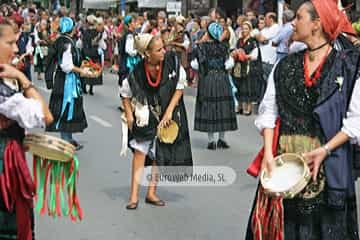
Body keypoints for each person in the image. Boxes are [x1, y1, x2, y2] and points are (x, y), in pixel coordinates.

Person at [246, 1, 360, 239]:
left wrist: (325, 150)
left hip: (328, 170)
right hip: (284, 169)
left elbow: (355, 121)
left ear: (316, 24)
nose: (292, 23)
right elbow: (269, 112)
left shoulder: (347, 66)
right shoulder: (285, 65)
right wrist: (268, 153)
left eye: (298, 17)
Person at [120, 33, 193, 210]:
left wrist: (169, 112)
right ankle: (133, 196)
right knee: (140, 152)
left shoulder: (172, 63)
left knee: (159, 151)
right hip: (146, 114)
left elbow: (179, 87)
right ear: (147, 54)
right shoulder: (137, 72)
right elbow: (125, 94)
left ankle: (152, 192)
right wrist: (129, 115)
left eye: (163, 48)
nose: (164, 52)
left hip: (167, 113)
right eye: (159, 50)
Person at [0, 19, 53, 240]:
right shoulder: (4, 90)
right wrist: (23, 79)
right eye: (10, 43)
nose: (15, 49)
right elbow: (45, 115)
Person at [191, 22, 238, 150]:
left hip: (208, 79)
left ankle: (211, 141)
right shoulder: (224, 46)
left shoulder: (201, 47)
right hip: (222, 78)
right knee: (222, 106)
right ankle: (222, 139)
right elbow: (229, 64)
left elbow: (195, 65)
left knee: (209, 107)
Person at [46, 17, 90, 151]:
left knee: (67, 109)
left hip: (65, 80)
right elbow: (67, 66)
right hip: (66, 82)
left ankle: (68, 139)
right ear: (72, 28)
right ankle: (65, 141)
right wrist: (82, 71)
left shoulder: (63, 40)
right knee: (66, 108)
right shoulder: (67, 43)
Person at [231, 21, 262, 115]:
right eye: (243, 28)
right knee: (238, 85)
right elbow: (235, 50)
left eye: (246, 28)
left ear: (250, 30)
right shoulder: (239, 41)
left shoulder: (253, 42)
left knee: (247, 86)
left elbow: (255, 55)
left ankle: (248, 108)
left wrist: (244, 56)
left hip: (248, 65)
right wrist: (236, 53)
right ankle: (239, 106)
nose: (244, 30)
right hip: (238, 66)